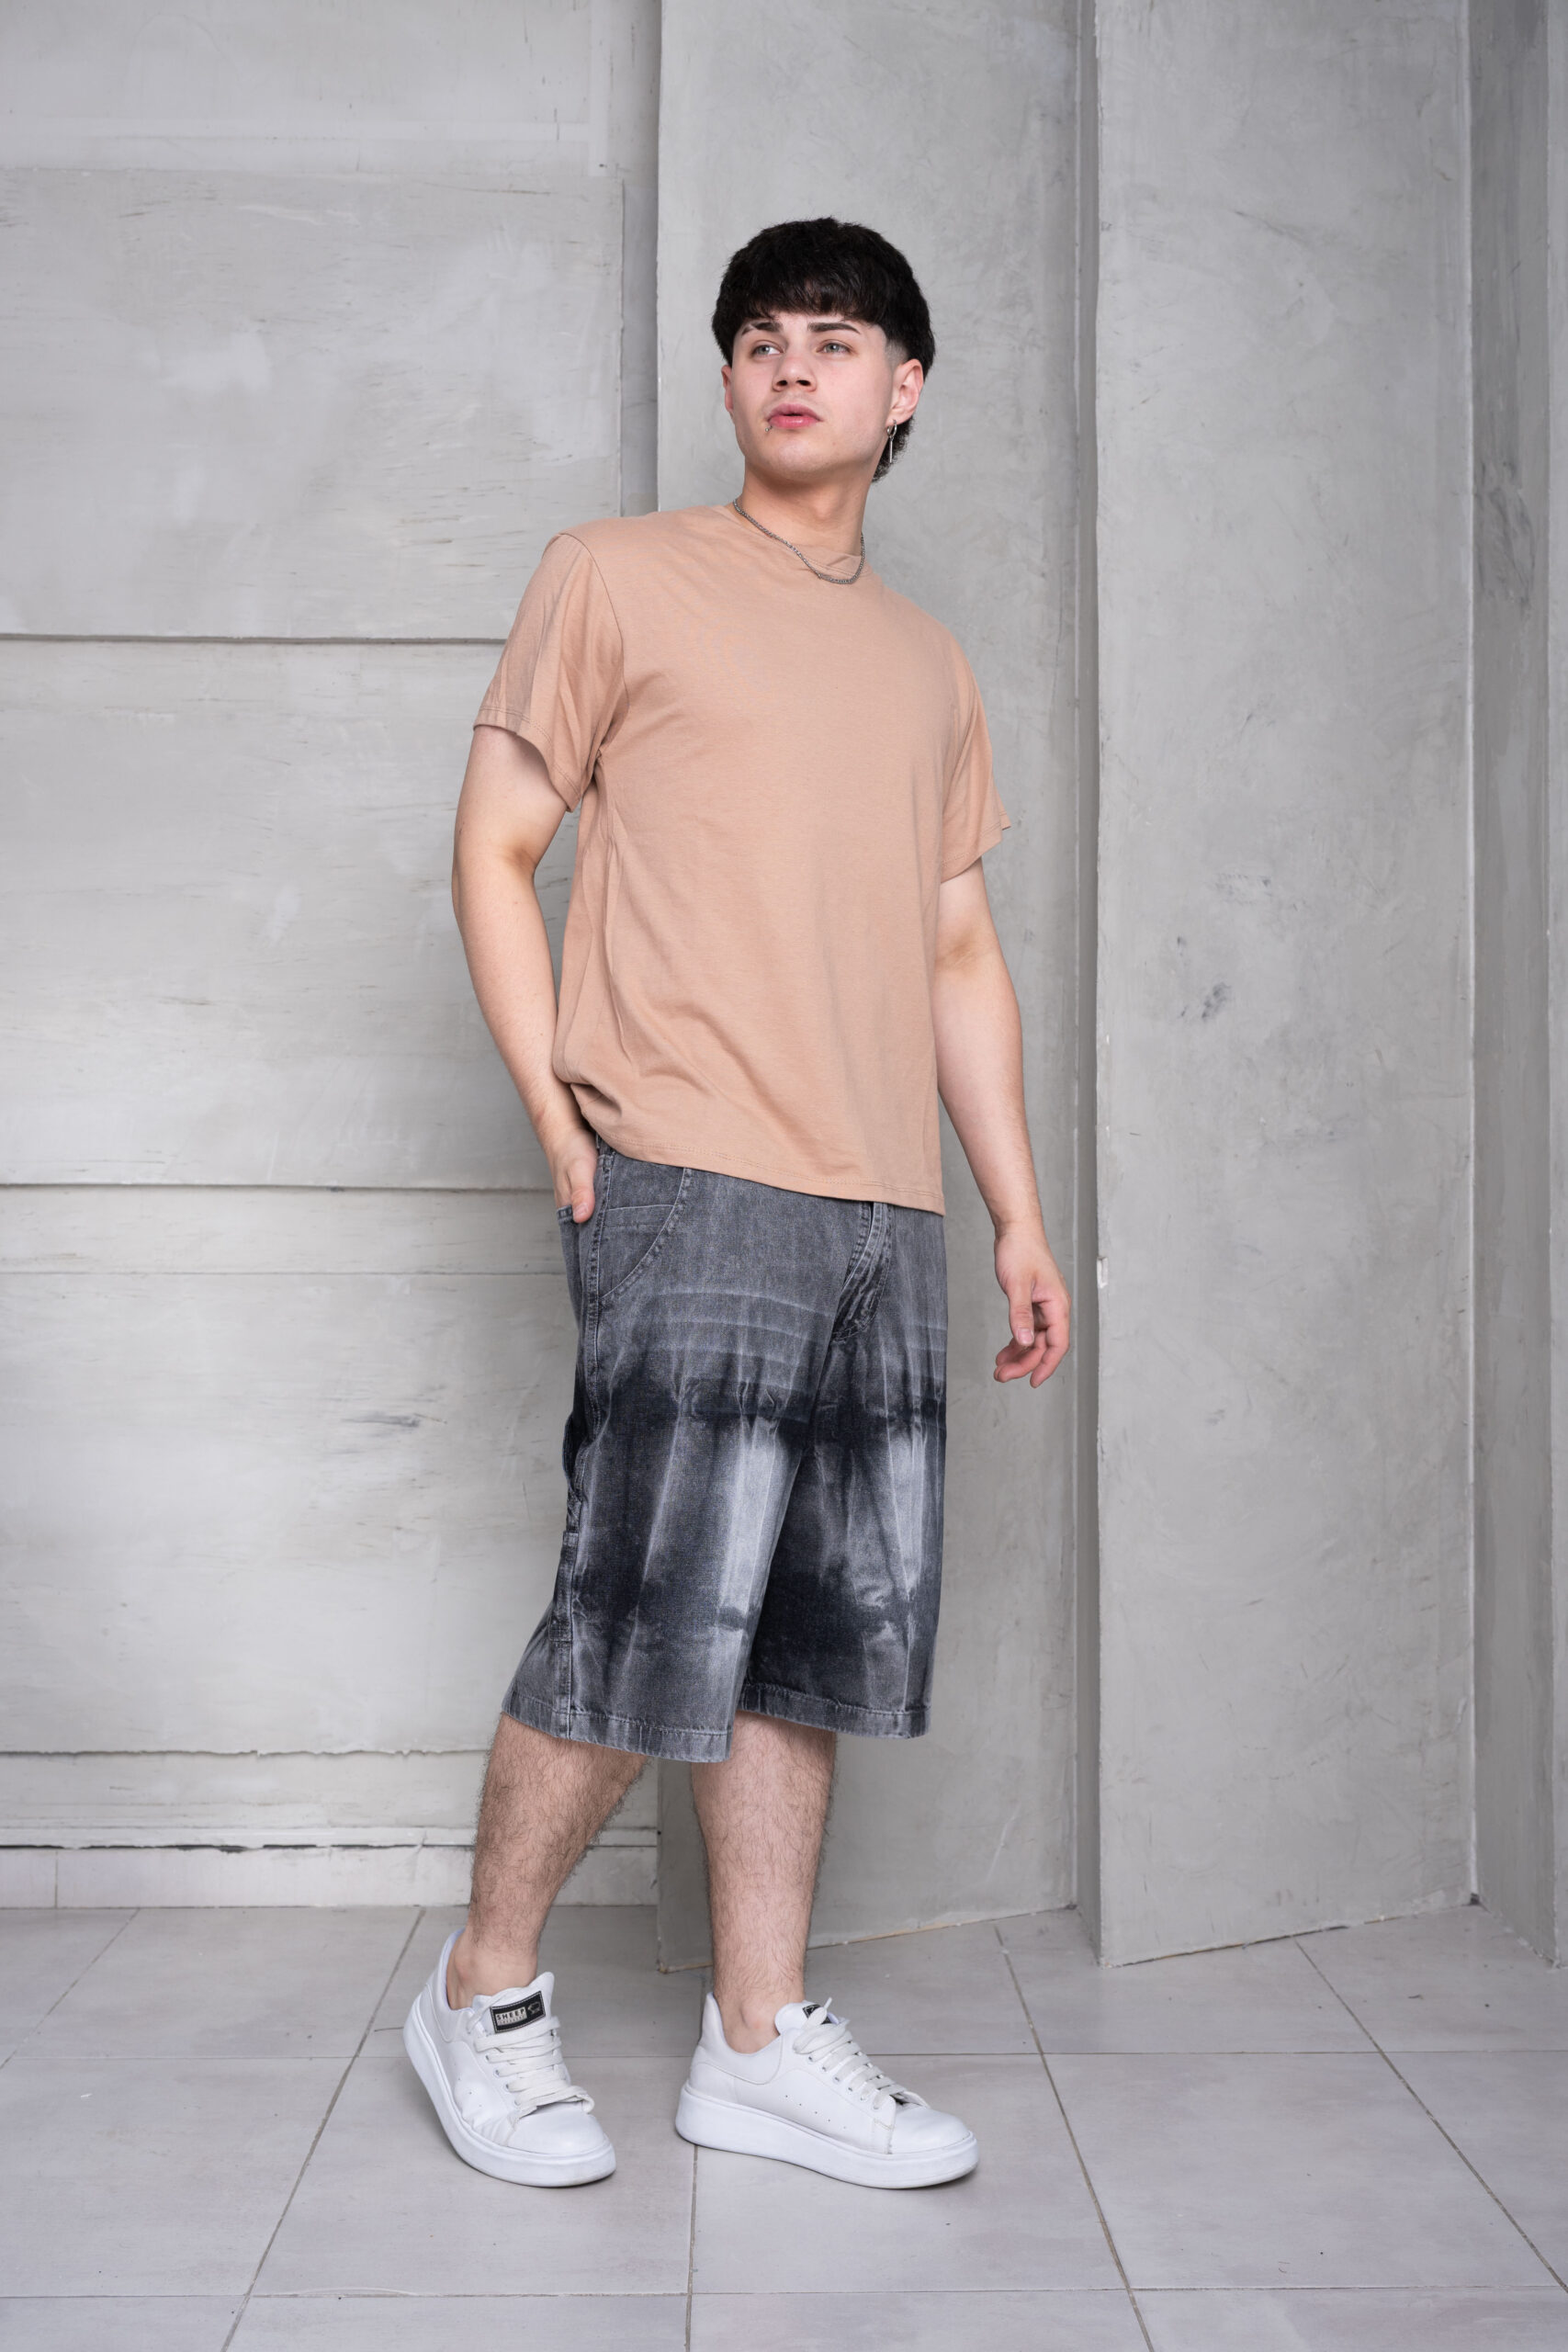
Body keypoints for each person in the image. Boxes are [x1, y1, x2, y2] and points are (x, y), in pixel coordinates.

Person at [403, 217, 1069, 2191]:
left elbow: (956, 949)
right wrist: (554, 1109)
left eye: (835, 339)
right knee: (641, 1620)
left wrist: (1015, 1213)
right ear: (728, 380)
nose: (793, 364)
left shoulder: (926, 663)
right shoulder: (614, 575)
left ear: (903, 388)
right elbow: (495, 841)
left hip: (881, 1207)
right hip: (689, 1171)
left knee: (803, 1642)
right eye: (761, 338)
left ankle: (758, 2042)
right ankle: (482, 1991)